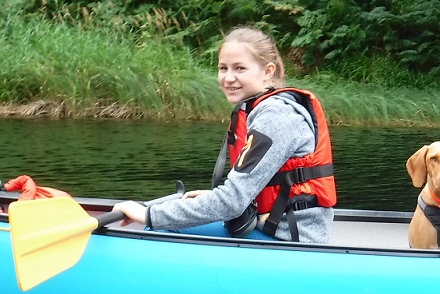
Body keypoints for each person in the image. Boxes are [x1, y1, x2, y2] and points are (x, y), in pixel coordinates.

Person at [114, 27, 336, 243]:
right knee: (166, 220)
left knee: (156, 227)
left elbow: (232, 202)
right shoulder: (263, 108)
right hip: (270, 225)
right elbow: (243, 192)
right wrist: (209, 198)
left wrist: (149, 214)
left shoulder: (276, 116)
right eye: (223, 68)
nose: (228, 78)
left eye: (240, 68)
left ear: (268, 71)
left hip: (289, 237)